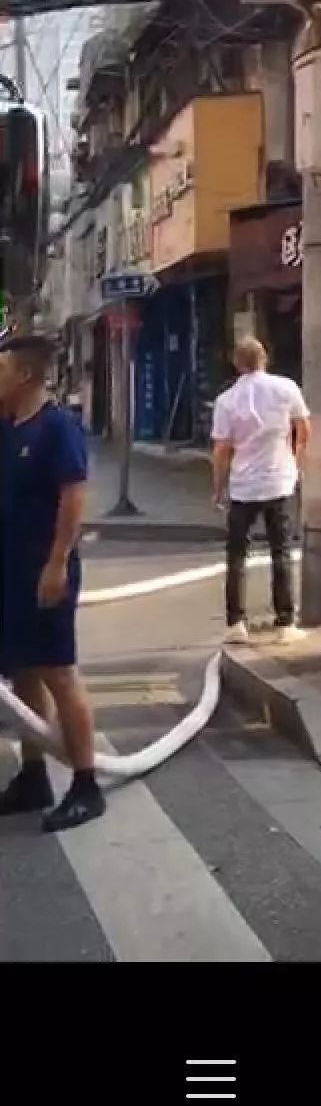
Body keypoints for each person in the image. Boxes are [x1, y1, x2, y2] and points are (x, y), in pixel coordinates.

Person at [0, 331, 106, 831]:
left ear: (23, 373)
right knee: (23, 671)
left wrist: (57, 563)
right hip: (8, 569)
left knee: (58, 671)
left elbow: (73, 498)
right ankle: (34, 774)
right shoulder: (6, 426)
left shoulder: (56, 428)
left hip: (45, 569)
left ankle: (86, 784)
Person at [211, 336, 311, 641]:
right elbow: (303, 428)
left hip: (243, 485)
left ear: (236, 363)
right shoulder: (286, 388)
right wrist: (295, 459)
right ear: (264, 358)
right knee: (280, 550)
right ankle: (285, 622)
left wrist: (219, 487)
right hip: (279, 479)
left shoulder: (227, 400)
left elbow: (222, 449)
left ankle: (236, 623)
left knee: (237, 554)